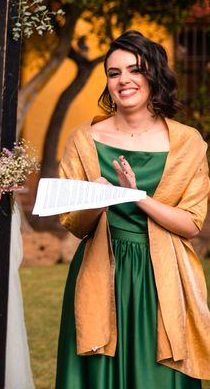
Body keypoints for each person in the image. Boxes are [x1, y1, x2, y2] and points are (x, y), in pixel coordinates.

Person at [55, 30, 210, 388]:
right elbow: (75, 224)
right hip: (101, 270)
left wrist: (136, 196)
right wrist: (97, 200)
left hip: (163, 278)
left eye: (134, 69)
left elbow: (191, 224)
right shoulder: (84, 140)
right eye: (113, 73)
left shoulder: (187, 143)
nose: (123, 80)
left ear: (153, 75)